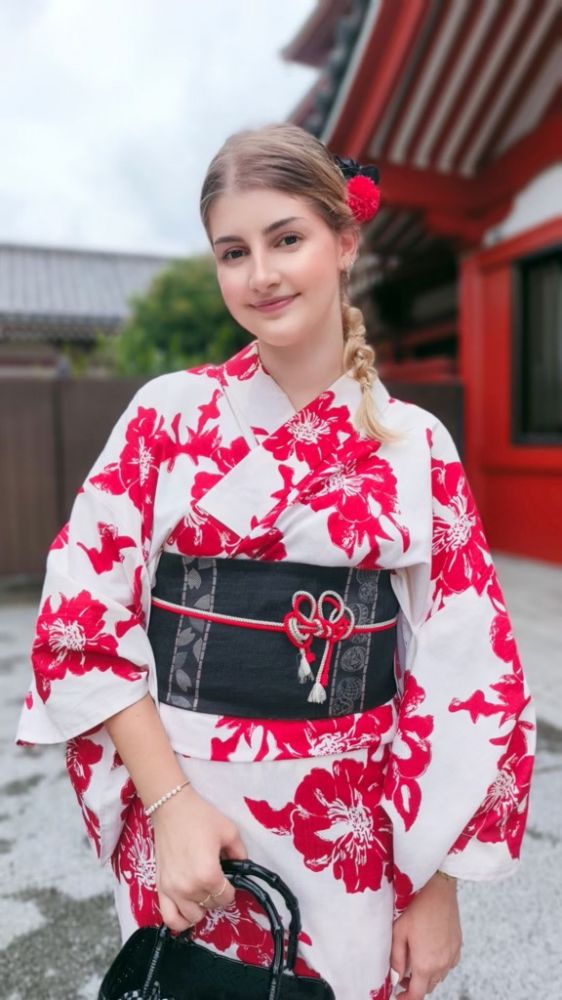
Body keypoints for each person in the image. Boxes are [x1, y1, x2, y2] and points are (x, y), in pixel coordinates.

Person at [16, 123, 535, 1000]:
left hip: (351, 835)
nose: (260, 274)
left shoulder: (414, 445)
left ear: (345, 240)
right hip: (188, 814)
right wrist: (170, 807)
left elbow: (469, 672)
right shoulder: (166, 417)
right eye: (233, 252)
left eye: (286, 239)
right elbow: (80, 619)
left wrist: (438, 885)